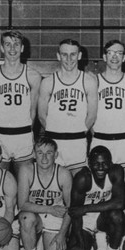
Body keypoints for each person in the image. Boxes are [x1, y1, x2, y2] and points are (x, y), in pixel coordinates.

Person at [90, 40, 125, 250]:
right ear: (104, 56)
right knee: (99, 195)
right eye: (111, 53)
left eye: (120, 53)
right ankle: (100, 244)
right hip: (100, 142)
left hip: (124, 142)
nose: (115, 57)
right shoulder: (94, 81)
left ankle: (118, 246)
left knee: (122, 197)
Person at [0, 30, 41, 175]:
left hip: (23, 136)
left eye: (16, 44)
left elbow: (33, 111)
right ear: (2, 48)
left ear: (22, 48)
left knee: (24, 183)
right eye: (8, 44)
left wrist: (29, 134)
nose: (12, 49)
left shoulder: (33, 75)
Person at [64, 146, 125, 250]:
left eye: (105, 163)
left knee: (118, 216)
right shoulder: (82, 178)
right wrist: (81, 245)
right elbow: (75, 214)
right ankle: (89, 243)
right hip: (84, 221)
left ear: (111, 162)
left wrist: (86, 208)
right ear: (89, 163)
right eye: (96, 164)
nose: (101, 168)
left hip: (103, 217)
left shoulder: (116, 171)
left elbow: (120, 203)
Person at [39, 39, 97, 173]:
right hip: (54, 141)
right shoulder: (48, 82)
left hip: (77, 142)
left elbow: (92, 115)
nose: (69, 58)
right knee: (54, 187)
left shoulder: (89, 81)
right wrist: (55, 131)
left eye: (73, 54)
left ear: (80, 55)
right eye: (64, 54)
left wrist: (78, 132)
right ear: (58, 56)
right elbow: (42, 115)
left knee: (77, 188)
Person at [17, 137, 72, 250]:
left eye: (49, 152)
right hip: (35, 216)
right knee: (26, 217)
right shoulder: (26, 170)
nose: (44, 157)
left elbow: (71, 209)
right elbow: (22, 204)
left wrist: (62, 234)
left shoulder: (64, 174)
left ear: (56, 155)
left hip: (55, 219)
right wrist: (50, 209)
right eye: (40, 153)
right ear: (34, 154)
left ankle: (40, 243)